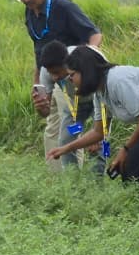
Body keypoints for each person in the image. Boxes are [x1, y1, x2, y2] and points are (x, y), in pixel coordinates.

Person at [47, 46, 139, 193]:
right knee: (132, 166)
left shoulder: (117, 80)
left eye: (72, 75)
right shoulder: (99, 94)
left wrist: (125, 149)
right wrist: (64, 148)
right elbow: (98, 132)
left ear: (85, 70)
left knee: (135, 164)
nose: (70, 80)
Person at [13, 0, 102, 168]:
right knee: (56, 129)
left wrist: (86, 62)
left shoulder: (63, 7)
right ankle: (60, 182)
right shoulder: (30, 13)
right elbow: (38, 53)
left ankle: (92, 174)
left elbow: (94, 34)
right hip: (52, 77)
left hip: (77, 77)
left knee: (87, 134)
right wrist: (37, 86)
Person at [33, 40, 97, 173]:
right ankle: (72, 184)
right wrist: (41, 107)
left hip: (99, 103)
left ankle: (99, 184)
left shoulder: (85, 61)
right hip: (77, 108)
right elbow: (46, 113)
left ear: (67, 63)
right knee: (65, 140)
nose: (54, 77)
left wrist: (97, 133)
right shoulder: (47, 71)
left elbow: (104, 97)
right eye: (51, 73)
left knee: (101, 145)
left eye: (56, 72)